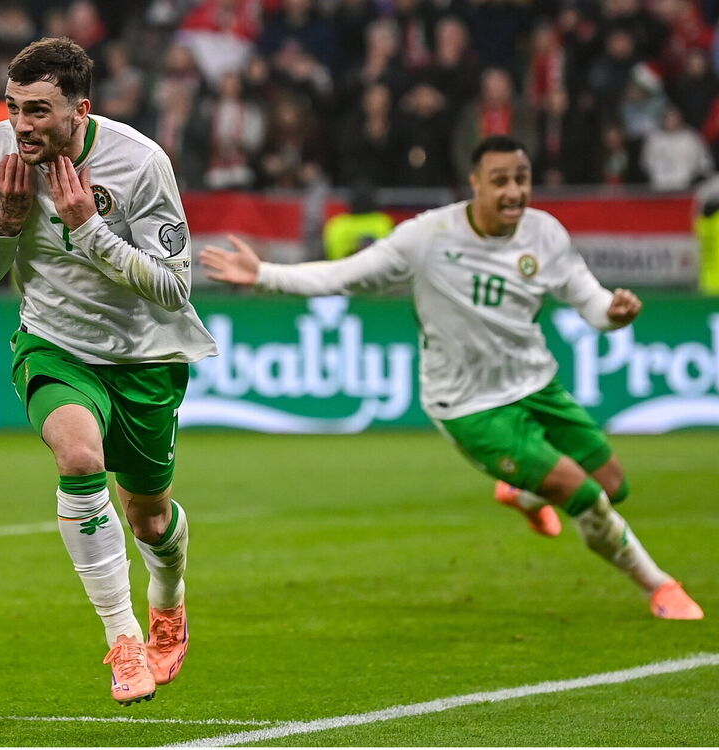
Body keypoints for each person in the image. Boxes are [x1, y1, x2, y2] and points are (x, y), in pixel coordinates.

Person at [201, 135, 704, 622]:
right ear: (475, 183)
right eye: (500, 180)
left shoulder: (545, 233)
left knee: (613, 484)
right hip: (470, 405)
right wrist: (265, 274)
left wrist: (615, 312)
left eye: (522, 180)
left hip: (536, 383)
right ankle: (660, 585)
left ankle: (523, 493)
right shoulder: (429, 238)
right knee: (585, 495)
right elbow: (345, 274)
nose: (513, 192)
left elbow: (590, 301)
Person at [0, 37, 217, 705]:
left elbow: (172, 288)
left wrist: (88, 229)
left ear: (81, 109)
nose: (22, 126)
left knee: (150, 520)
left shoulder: (140, 163)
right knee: (76, 457)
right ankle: (123, 639)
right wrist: (8, 224)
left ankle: (168, 604)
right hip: (53, 344)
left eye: (39, 110)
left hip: (144, 357)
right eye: (14, 108)